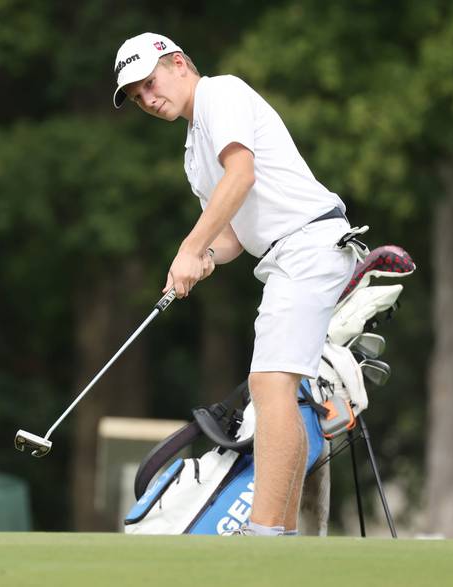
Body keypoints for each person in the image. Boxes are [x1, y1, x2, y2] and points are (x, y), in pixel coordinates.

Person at [112, 33, 357, 536]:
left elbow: (240, 175)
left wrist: (188, 247)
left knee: (271, 386)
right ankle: (278, 535)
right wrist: (202, 257)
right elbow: (232, 236)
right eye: (137, 97)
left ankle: (263, 534)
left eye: (149, 84)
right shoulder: (191, 152)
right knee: (276, 390)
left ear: (177, 63)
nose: (148, 100)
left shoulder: (220, 93)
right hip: (284, 256)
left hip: (310, 243)